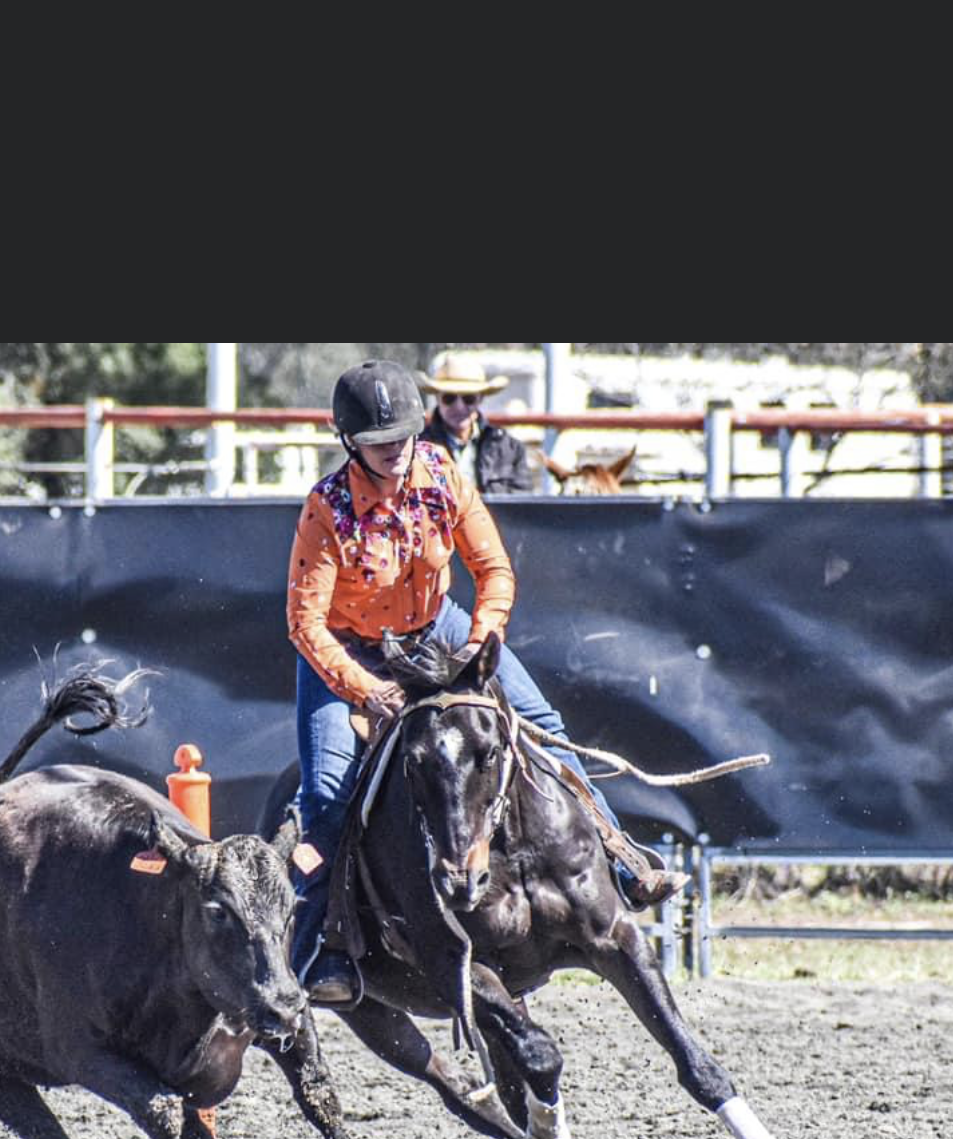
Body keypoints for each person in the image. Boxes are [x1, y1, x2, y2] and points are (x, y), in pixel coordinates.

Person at [285, 361, 685, 1006]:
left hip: (436, 626)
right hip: (348, 646)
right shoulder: (326, 509)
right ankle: (321, 943)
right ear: (349, 441)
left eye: (403, 435)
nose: (395, 449)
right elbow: (306, 624)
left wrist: (480, 638)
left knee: (543, 727)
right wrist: (365, 688)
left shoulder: (442, 474)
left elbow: (493, 568)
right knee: (327, 793)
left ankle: (622, 857)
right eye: (380, 440)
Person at [420, 356, 535, 495]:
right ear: (437, 399)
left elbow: (522, 501)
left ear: (480, 399)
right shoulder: (417, 448)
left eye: (468, 398)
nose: (459, 407)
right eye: (449, 398)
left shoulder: (510, 448)